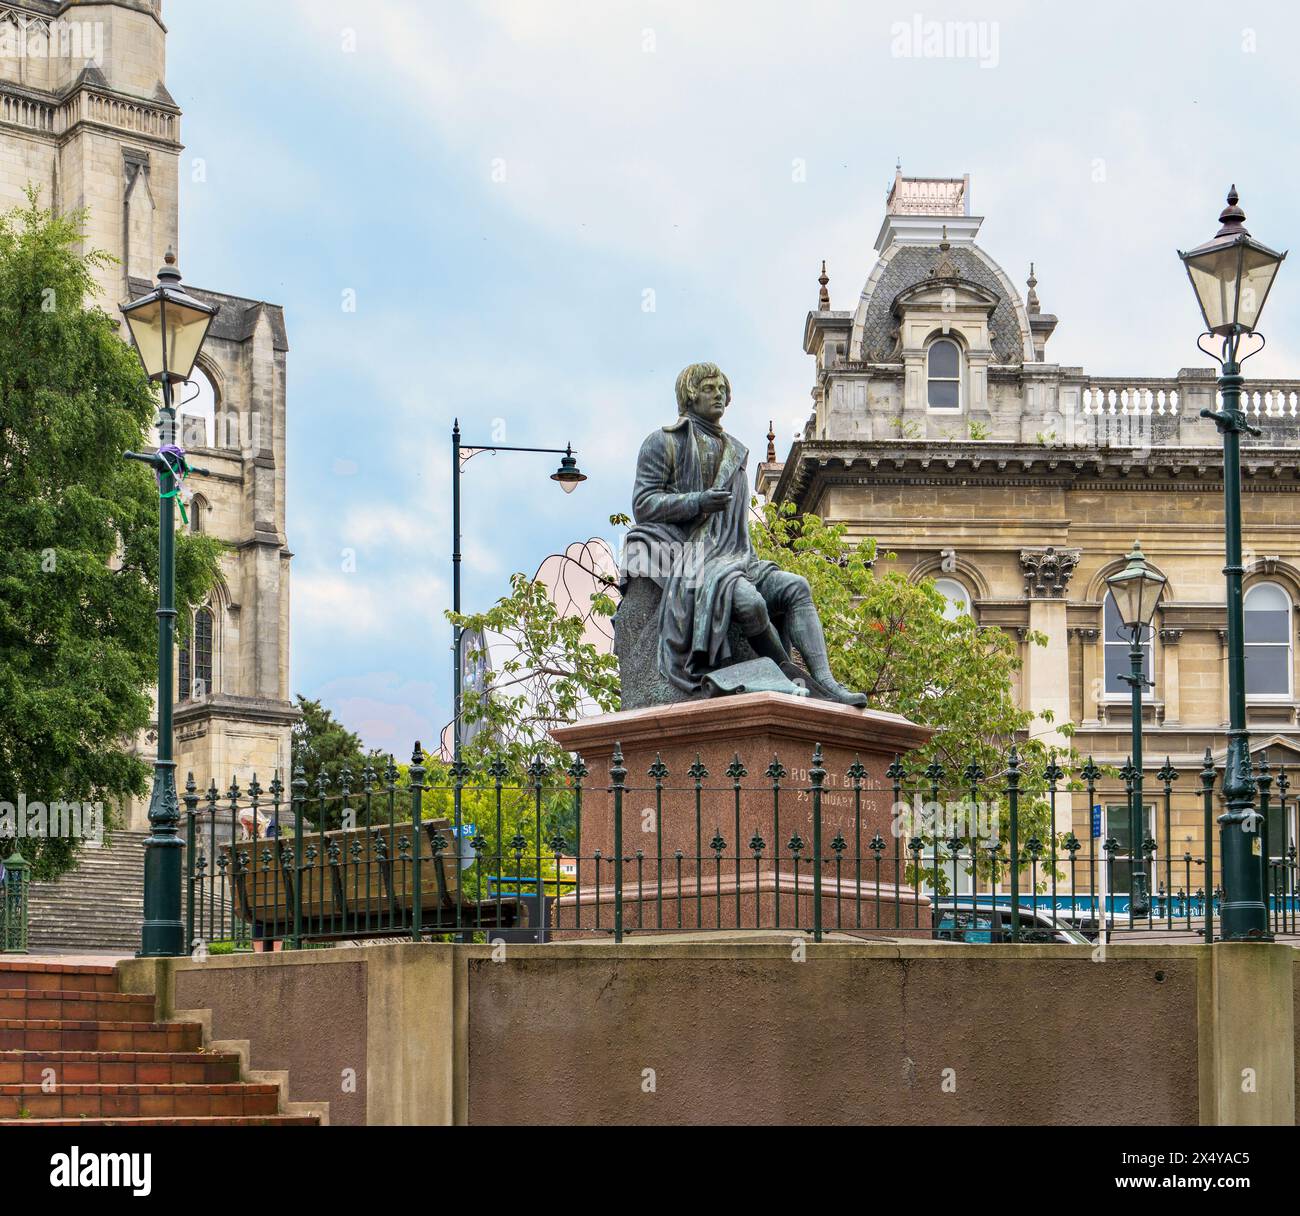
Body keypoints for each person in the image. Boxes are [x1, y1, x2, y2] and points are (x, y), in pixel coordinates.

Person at [624, 362, 867, 707]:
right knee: (750, 603)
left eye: (723, 389)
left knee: (797, 587)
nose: (719, 394)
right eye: (710, 388)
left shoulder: (734, 451)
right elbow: (644, 504)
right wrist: (697, 502)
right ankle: (788, 675)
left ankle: (826, 682)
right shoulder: (663, 442)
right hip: (691, 556)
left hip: (738, 556)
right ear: (690, 395)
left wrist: (745, 557)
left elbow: (737, 527)